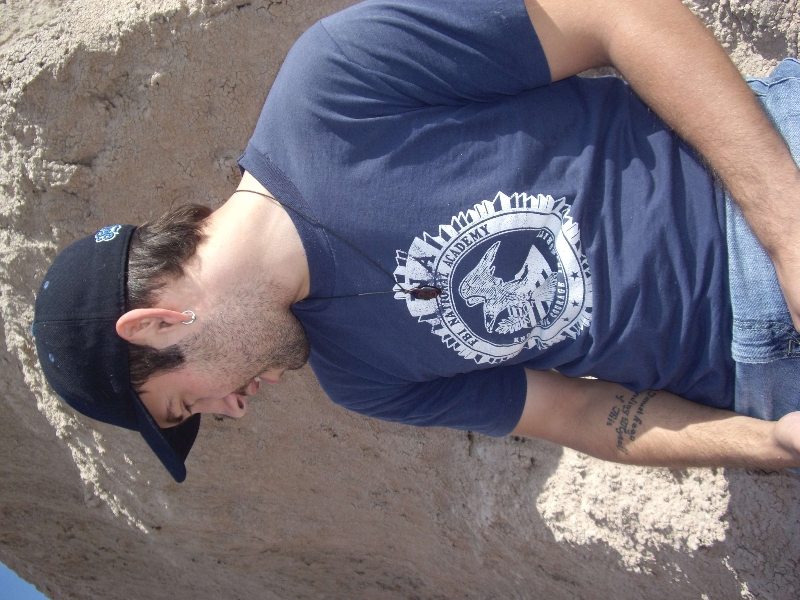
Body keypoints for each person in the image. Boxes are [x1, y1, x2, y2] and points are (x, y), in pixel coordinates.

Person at [32, 0, 800, 483]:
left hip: (768, 182)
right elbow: (576, 415)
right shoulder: (363, 383)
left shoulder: (333, 85)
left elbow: (614, 14)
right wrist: (766, 442)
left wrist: (786, 231)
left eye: (185, 402)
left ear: (155, 323)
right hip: (754, 378)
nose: (229, 410)